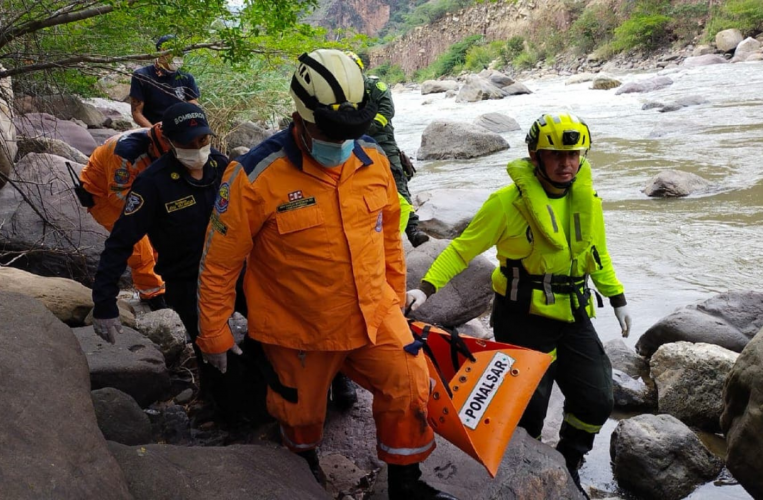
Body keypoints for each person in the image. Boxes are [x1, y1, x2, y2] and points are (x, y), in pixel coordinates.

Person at [196, 49, 456, 500]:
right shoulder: (255, 175)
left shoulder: (373, 160)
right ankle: (302, 470)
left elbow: (389, 240)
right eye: (333, 131)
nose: (343, 142)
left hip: (374, 315)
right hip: (300, 329)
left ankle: (406, 485)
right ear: (301, 113)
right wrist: (214, 332)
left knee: (411, 383)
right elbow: (220, 260)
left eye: (353, 131)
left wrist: (394, 301)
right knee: (299, 416)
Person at [406, 113, 631, 497]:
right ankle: (525, 472)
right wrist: (425, 289)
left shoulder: (585, 199)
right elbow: (462, 250)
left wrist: (617, 297)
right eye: (555, 155)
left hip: (573, 314)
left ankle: (568, 461)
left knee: (597, 399)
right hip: (522, 319)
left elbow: (596, 254)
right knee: (529, 411)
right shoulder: (505, 203)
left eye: (574, 155)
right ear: (534, 155)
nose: (566, 164)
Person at [91, 102, 247, 419]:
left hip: (235, 270)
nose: (199, 149)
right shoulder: (152, 184)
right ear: (171, 143)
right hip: (188, 279)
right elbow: (120, 242)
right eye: (189, 144)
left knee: (257, 335)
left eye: (203, 141)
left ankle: (258, 395)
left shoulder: (222, 166)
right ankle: (222, 411)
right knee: (211, 350)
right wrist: (104, 302)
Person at [80, 124, 169, 309]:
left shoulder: (175, 145)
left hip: (138, 188)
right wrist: (153, 209)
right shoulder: (125, 153)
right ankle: (153, 295)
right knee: (139, 248)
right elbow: (118, 196)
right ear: (153, 147)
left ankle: (166, 285)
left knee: (160, 242)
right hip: (102, 193)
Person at [346, 51, 429, 248]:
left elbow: (387, 111)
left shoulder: (375, 87)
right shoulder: (340, 93)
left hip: (382, 141)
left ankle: (412, 229)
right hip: (351, 143)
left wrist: (363, 128)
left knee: (397, 180)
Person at [130, 35, 200, 128]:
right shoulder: (142, 76)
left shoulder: (186, 77)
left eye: (181, 54)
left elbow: (193, 107)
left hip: (181, 130)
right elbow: (137, 113)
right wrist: (155, 133)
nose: (179, 57)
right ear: (162, 54)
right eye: (175, 53)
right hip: (151, 129)